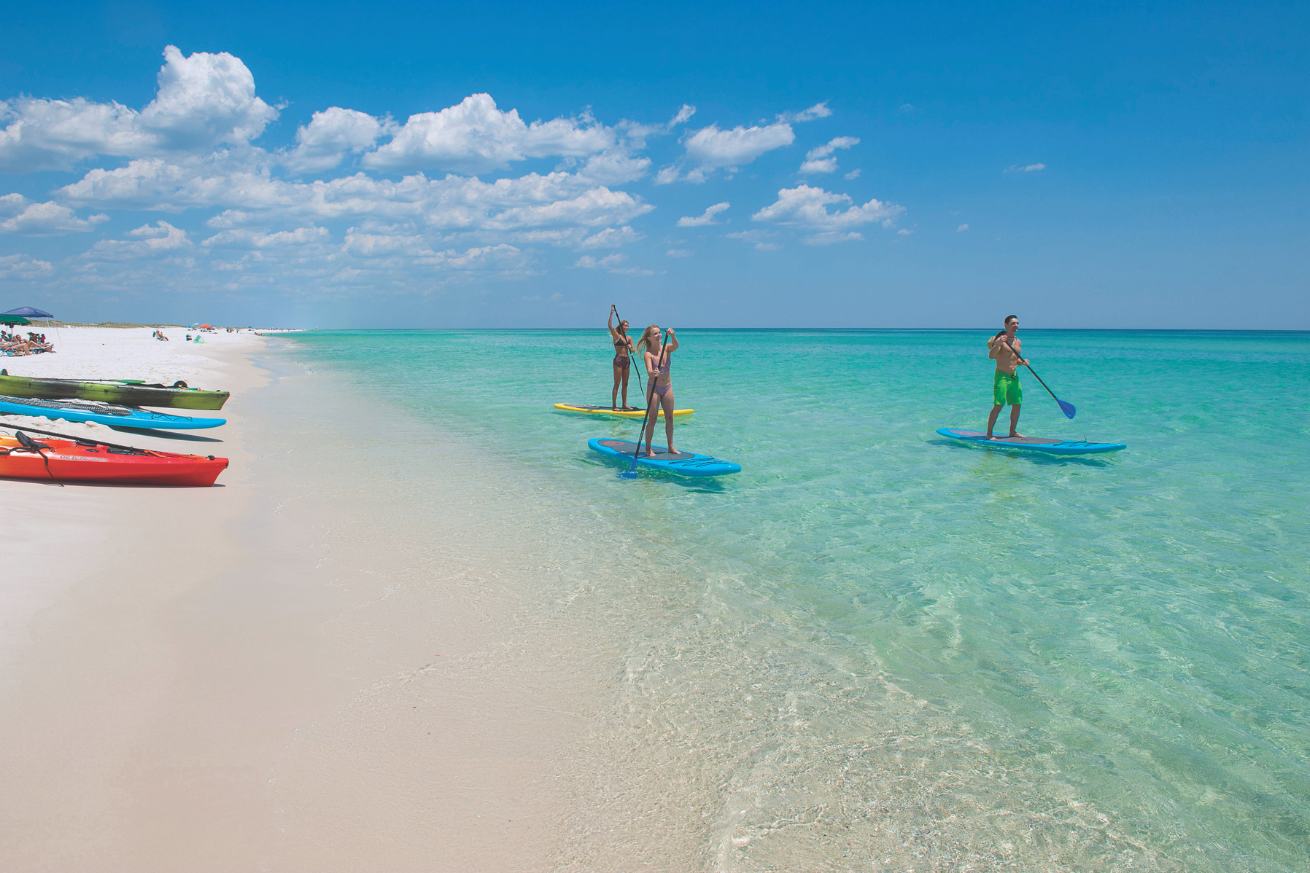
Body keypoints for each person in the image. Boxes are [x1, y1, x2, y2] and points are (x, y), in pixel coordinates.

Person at [637, 324, 679, 457]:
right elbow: (649, 371)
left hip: (667, 386)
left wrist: (672, 335)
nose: (659, 335)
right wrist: (653, 372)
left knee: (670, 417)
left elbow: (676, 346)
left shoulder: (667, 348)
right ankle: (648, 448)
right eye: (655, 334)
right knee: (653, 418)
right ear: (649, 338)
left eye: (659, 333)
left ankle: (671, 446)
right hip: (654, 388)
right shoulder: (648, 354)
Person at [986, 314, 1028, 439]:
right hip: (1001, 377)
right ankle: (989, 434)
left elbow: (1015, 361)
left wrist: (1023, 362)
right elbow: (991, 356)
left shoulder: (1018, 341)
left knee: (1017, 404)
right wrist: (998, 344)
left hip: (1014, 377)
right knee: (998, 405)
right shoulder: (1000, 340)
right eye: (1013, 324)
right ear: (1006, 325)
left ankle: (1012, 431)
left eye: (1017, 323)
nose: (1016, 326)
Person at [607, 306, 637, 409]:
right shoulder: (616, 336)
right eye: (625, 326)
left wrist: (630, 347)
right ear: (621, 326)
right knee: (617, 383)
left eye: (628, 326)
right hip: (619, 360)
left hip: (627, 361)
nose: (627, 327)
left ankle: (624, 404)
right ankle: (614, 405)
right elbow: (610, 326)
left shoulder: (629, 338)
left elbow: (634, 350)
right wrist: (611, 314)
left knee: (625, 383)